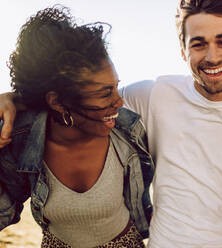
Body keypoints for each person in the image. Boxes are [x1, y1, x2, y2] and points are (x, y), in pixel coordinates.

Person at [0, 1, 222, 248]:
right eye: (198, 44)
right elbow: (74, 97)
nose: (212, 56)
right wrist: (13, 99)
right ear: (183, 50)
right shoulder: (152, 94)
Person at [0, 6, 154, 247]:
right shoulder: (20, 137)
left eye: (115, 86)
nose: (119, 101)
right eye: (105, 93)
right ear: (58, 102)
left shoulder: (127, 130)